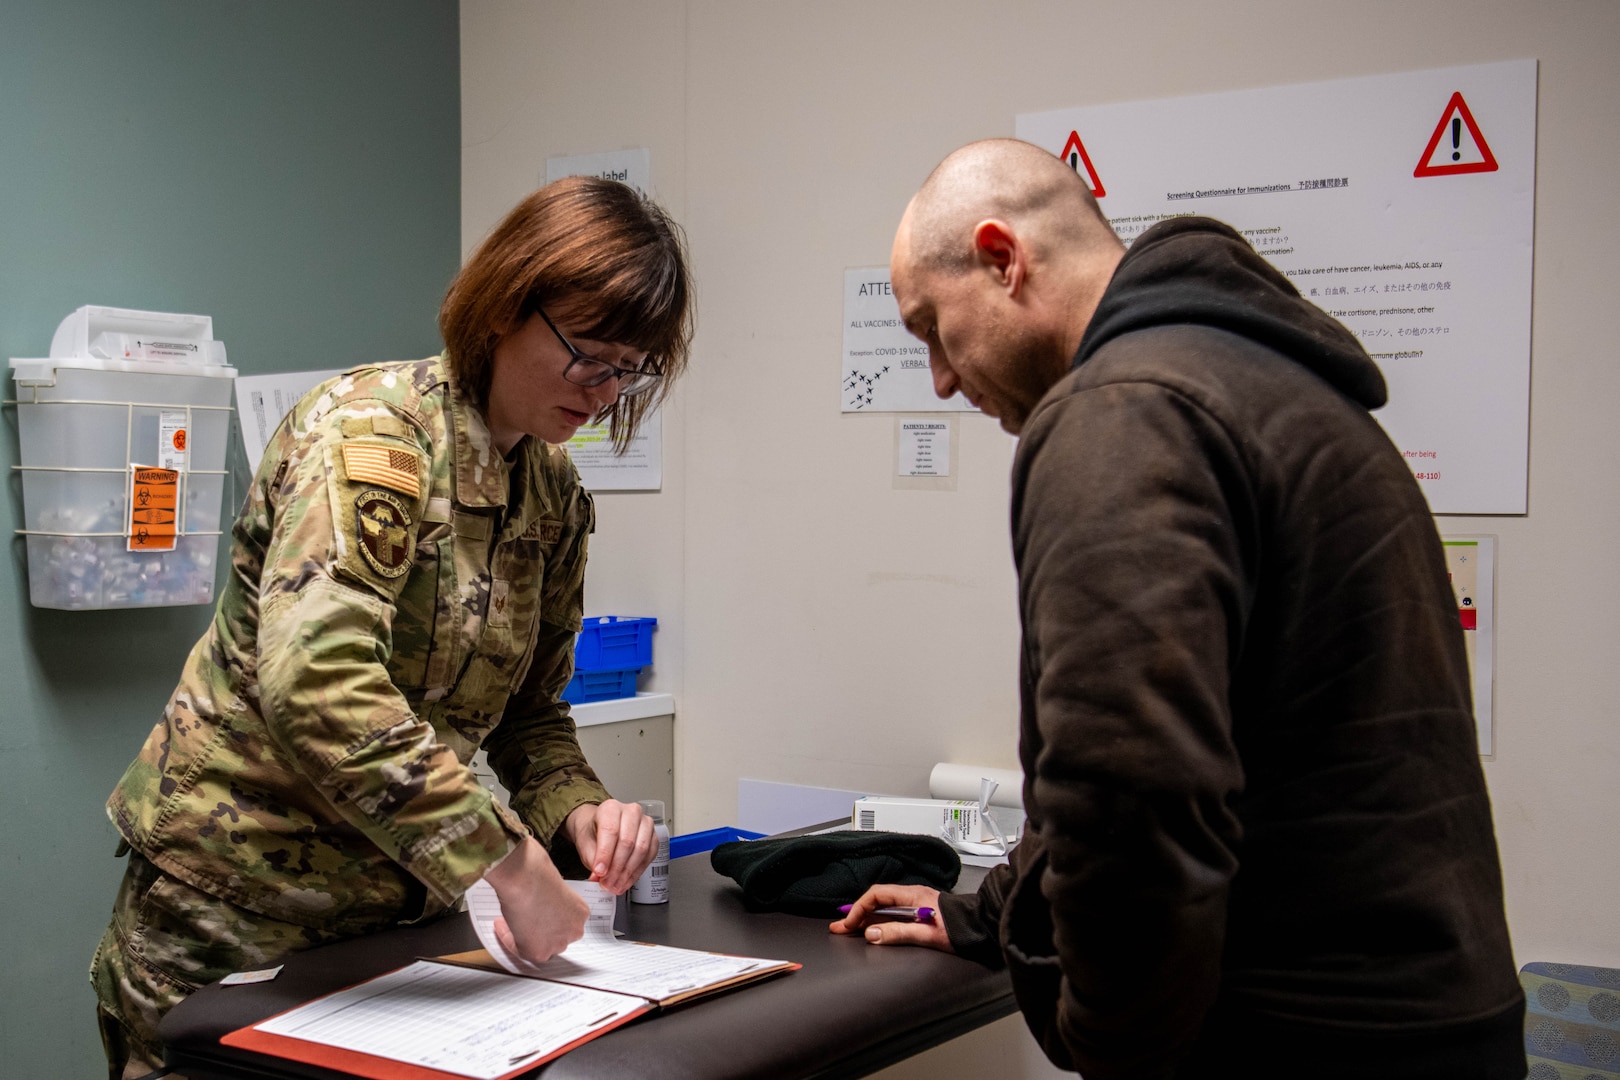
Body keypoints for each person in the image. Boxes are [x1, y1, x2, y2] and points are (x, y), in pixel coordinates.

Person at [832, 139, 1525, 1079]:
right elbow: (1208, 733)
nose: (942, 381)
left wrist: (1117, 1055)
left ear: (1003, 260)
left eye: (930, 329)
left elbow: (1128, 795)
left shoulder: (1121, 413)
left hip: (1297, 1040)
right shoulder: (1280, 391)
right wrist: (982, 914)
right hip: (1430, 1020)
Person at [91, 175, 691, 1079]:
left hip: (386, 930)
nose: (606, 393)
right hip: (233, 915)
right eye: (589, 357)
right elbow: (319, 684)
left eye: (630, 370)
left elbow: (532, 718)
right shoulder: (372, 439)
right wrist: (510, 862)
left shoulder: (553, 494)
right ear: (504, 306)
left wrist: (581, 814)